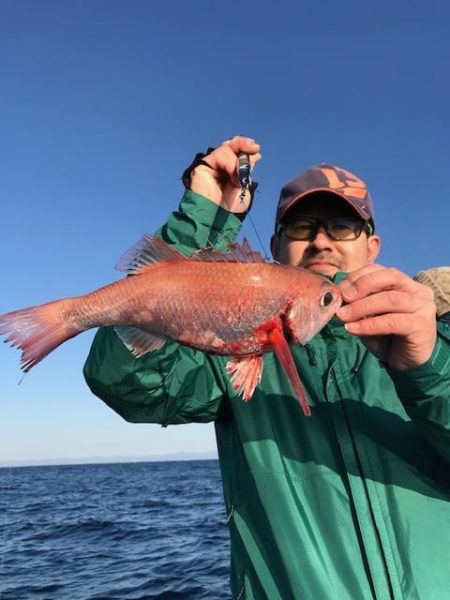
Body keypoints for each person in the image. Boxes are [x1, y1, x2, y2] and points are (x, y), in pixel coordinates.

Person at [84, 136, 450, 600]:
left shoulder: (435, 340)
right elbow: (124, 382)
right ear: (274, 245)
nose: (321, 240)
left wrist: (430, 370)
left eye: (342, 225)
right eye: (300, 227)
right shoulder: (233, 352)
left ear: (372, 245)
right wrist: (203, 218)